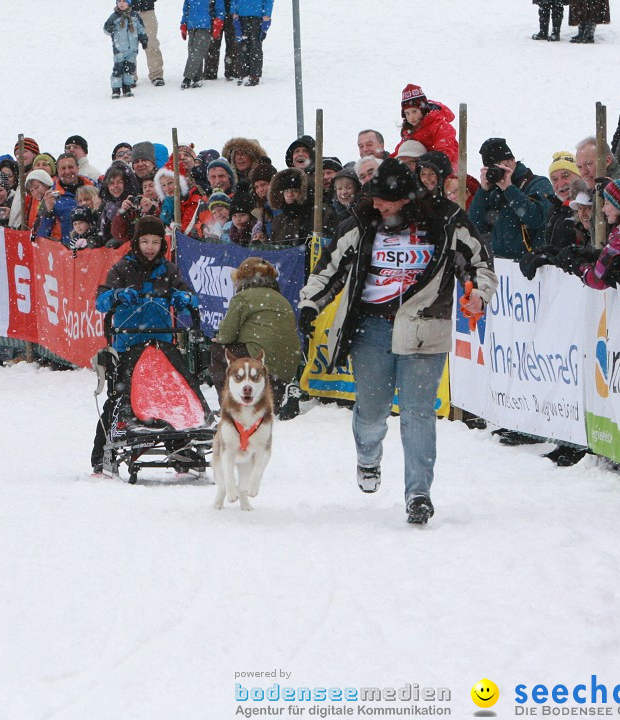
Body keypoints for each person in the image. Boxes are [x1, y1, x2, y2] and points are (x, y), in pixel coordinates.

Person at [297, 157, 496, 525]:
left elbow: (481, 264)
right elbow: (330, 268)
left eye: (385, 201)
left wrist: (479, 294)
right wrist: (310, 304)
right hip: (371, 329)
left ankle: (419, 493)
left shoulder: (447, 221)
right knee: (372, 410)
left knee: (418, 413)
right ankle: (368, 457)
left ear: (407, 199)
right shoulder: (361, 222)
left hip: (424, 328)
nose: (377, 206)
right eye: (373, 198)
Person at [90, 215, 196, 473]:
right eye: (145, 241)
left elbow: (190, 297)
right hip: (129, 344)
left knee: (173, 395)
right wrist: (117, 295)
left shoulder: (169, 271)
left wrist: (184, 298)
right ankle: (100, 454)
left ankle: (180, 446)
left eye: (156, 242)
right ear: (137, 242)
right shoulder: (122, 269)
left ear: (163, 244)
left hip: (161, 345)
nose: (150, 247)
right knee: (119, 397)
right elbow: (101, 301)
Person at [211, 257, 301, 418]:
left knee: (219, 352)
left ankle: (230, 405)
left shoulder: (243, 297)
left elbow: (226, 334)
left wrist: (219, 338)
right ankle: (276, 399)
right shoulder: (281, 298)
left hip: (261, 355)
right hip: (287, 362)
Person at [468, 138, 553, 259]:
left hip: (531, 264)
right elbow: (474, 228)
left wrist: (509, 188)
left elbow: (536, 218)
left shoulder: (538, 183)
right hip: (501, 267)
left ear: (513, 160)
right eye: (492, 168)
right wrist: (483, 191)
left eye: (501, 165)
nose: (498, 171)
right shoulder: (492, 192)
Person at [393, 84, 458, 167]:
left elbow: (445, 151)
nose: (411, 117)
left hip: (447, 167)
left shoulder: (439, 125)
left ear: (422, 109)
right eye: (407, 113)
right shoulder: (409, 131)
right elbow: (400, 151)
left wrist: (432, 168)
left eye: (414, 111)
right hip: (423, 170)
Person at [37, 153, 95, 242]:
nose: (67, 171)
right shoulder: (50, 195)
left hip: (93, 248)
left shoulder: (94, 187)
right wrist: (48, 213)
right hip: (66, 250)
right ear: (57, 170)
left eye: (71, 167)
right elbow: (41, 236)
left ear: (78, 168)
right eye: (63, 168)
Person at [106, 1, 149, 99]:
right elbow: (106, 28)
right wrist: (110, 28)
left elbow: (140, 28)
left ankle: (127, 88)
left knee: (130, 69)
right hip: (119, 48)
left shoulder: (135, 16)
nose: (121, 3)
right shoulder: (114, 16)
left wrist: (143, 38)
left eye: (124, 1)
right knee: (118, 69)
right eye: (119, 1)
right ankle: (116, 89)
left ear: (129, 3)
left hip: (132, 49)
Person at [180, 0, 222, 89]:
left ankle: (188, 77)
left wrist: (217, 25)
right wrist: (184, 23)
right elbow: (186, 8)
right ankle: (197, 78)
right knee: (192, 52)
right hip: (192, 26)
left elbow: (220, 10)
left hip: (206, 26)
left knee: (197, 53)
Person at [232, 0, 272, 86]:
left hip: (257, 16)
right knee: (242, 47)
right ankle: (243, 74)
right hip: (242, 16)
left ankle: (254, 75)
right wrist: (234, 12)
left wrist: (267, 15)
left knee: (255, 47)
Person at [132, 0, 165, 86]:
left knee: (151, 43)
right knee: (130, 46)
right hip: (129, 11)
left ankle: (156, 75)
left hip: (148, 11)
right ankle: (130, 76)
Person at [203, 0, 236, 81]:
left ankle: (231, 72)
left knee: (232, 46)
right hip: (215, 14)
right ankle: (210, 72)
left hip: (231, 13)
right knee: (213, 46)